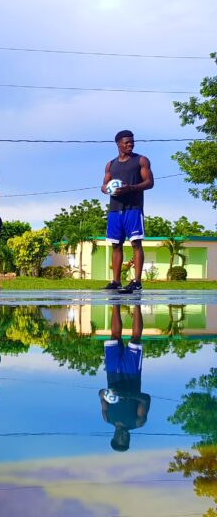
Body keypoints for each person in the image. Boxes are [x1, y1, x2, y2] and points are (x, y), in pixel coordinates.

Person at [101, 130, 154, 294]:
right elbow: (104, 185)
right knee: (116, 244)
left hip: (133, 208)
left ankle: (137, 281)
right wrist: (106, 189)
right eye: (126, 142)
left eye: (132, 142)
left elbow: (149, 182)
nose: (130, 144)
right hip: (115, 210)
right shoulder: (111, 164)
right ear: (118, 144)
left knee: (136, 243)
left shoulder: (141, 160)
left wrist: (131, 188)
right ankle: (116, 281)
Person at [99, 304, 150, 451]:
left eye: (120, 440)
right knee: (135, 339)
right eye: (126, 441)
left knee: (114, 337)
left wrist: (106, 393)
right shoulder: (137, 422)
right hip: (131, 375)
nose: (125, 438)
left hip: (112, 374)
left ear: (114, 438)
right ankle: (137, 303)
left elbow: (101, 395)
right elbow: (146, 399)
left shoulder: (107, 418)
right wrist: (126, 395)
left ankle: (115, 302)